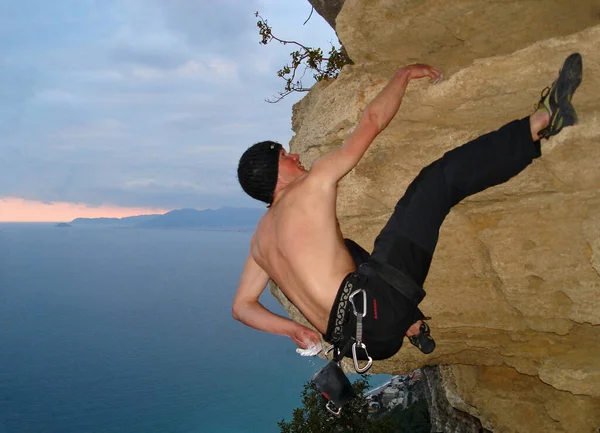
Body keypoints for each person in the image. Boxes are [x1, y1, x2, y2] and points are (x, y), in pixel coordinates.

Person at [233, 53, 583, 364]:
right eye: (284, 155)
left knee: (344, 249)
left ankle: (411, 324)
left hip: (361, 344)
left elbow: (242, 307)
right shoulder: (312, 185)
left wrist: (293, 329)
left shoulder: (259, 243)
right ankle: (540, 123)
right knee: (435, 183)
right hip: (378, 306)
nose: (295, 156)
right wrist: (401, 76)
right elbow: (371, 122)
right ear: (275, 173)